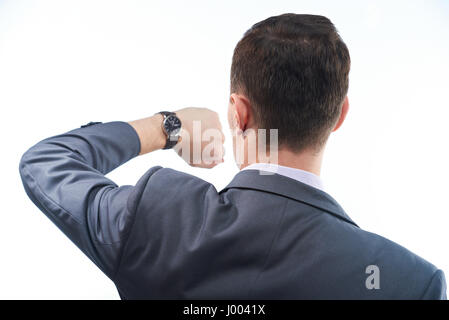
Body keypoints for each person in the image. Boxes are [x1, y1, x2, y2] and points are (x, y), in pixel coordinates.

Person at [19, 13, 446, 299]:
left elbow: (48, 162)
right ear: (339, 116)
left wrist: (168, 126)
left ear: (238, 113)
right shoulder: (410, 283)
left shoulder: (159, 219)